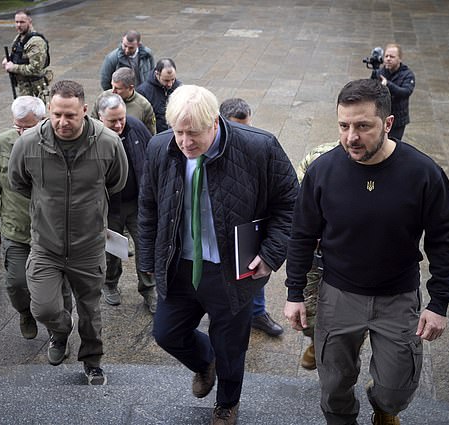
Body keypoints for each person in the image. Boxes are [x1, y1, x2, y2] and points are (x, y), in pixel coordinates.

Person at [284, 78, 449, 425]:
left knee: (396, 388)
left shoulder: (422, 172)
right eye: (344, 125)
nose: (351, 137)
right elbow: (301, 234)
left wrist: (439, 302)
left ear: (388, 124)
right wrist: (294, 293)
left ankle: (382, 408)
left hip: (398, 297)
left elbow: (446, 237)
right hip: (337, 295)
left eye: (363, 126)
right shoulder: (322, 172)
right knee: (333, 384)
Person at [139, 85, 298, 424]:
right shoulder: (159, 146)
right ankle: (204, 361)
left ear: (214, 123)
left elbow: (291, 204)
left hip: (231, 269)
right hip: (178, 265)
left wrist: (270, 255)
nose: (184, 142)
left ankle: (227, 403)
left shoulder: (259, 147)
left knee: (231, 346)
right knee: (166, 333)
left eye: (193, 133)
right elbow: (149, 206)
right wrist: (147, 259)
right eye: (178, 132)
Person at [8, 80, 128, 385]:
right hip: (46, 246)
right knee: (44, 307)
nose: (63, 121)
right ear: (49, 109)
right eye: (57, 114)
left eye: (71, 115)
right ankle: (60, 332)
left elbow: (117, 182)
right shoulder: (28, 144)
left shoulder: (108, 142)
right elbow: (19, 183)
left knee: (90, 310)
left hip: (88, 246)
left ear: (85, 111)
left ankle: (92, 361)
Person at [0, 96, 73, 339]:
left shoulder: (61, 145)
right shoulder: (1, 145)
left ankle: (59, 333)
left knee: (59, 289)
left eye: (27, 127)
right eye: (17, 126)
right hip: (16, 230)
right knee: (17, 283)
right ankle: (25, 312)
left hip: (53, 234)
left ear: (43, 121)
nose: (21, 132)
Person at [218, 97, 283, 337]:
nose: (245, 133)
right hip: (221, 226)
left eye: (248, 126)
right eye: (238, 127)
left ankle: (257, 313)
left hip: (250, 223)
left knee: (254, 269)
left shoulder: (261, 145)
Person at [94, 94, 156, 313]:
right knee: (113, 250)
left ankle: (149, 290)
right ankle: (110, 284)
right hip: (110, 208)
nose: (119, 124)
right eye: (113, 121)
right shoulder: (92, 138)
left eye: (122, 118)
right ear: (100, 118)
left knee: (145, 245)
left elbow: (152, 157)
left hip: (137, 203)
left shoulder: (136, 127)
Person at [294, 141, 339, 370]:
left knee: (351, 324)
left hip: (353, 260)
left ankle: (336, 359)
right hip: (315, 256)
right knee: (308, 317)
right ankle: (315, 341)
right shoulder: (318, 159)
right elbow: (297, 201)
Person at [2, 9, 52, 103]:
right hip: (24, 86)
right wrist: (9, 59)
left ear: (30, 21)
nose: (18, 25)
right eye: (16, 22)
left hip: (33, 88)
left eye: (22, 22)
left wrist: (13, 68)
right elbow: (19, 53)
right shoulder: (20, 37)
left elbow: (35, 68)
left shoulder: (36, 42)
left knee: (34, 115)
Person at [91, 67, 156, 135]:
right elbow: (93, 124)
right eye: (112, 86)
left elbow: (150, 134)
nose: (113, 91)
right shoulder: (103, 98)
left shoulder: (144, 106)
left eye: (118, 88)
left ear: (130, 88)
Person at [375, 43, 415, 141]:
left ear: (399, 59)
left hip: (398, 119)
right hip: (382, 115)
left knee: (393, 143)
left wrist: (388, 84)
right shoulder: (380, 72)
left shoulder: (407, 75)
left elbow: (405, 92)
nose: (388, 59)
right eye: (386, 56)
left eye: (392, 56)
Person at [136, 58, 182, 134]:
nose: (170, 84)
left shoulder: (179, 88)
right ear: (157, 74)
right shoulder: (143, 92)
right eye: (166, 80)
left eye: (173, 79)